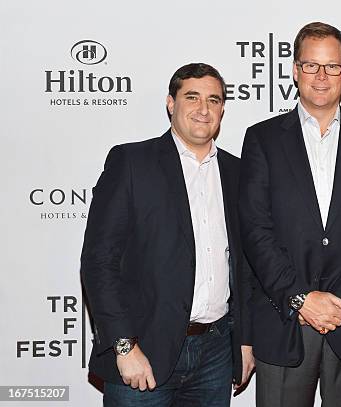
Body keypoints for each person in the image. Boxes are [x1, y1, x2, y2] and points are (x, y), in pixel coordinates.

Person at [239, 21, 341, 407]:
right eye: (311, 65)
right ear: (295, 71)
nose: (321, 76)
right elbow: (255, 229)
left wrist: (340, 300)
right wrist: (300, 298)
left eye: (332, 66)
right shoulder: (261, 139)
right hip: (284, 323)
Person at [80, 63, 255, 407]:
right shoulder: (132, 162)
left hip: (216, 352)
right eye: (192, 97)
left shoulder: (237, 172)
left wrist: (244, 341)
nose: (204, 109)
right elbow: (98, 262)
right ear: (171, 103)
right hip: (144, 348)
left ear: (222, 109)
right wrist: (123, 345)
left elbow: (245, 267)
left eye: (214, 100)